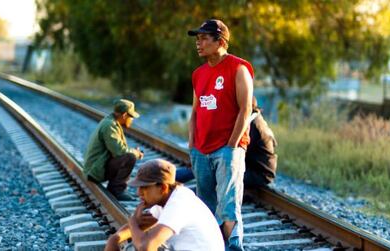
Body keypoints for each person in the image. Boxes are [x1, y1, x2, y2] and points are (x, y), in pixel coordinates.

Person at [187, 19, 254, 250]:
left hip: (227, 150)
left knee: (228, 207)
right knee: (204, 208)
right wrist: (192, 144)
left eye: (204, 38)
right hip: (201, 150)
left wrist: (232, 146)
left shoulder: (239, 68)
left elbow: (246, 109)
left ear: (221, 41)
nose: (199, 43)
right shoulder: (198, 74)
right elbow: (195, 111)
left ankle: (234, 247)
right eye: (198, 39)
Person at [104, 159, 224, 251]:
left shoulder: (179, 204)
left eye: (144, 187)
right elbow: (142, 226)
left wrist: (133, 222)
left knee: (141, 243)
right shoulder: (165, 200)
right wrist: (115, 238)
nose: (138, 192)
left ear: (163, 187)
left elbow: (146, 247)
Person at [83, 99, 144, 201]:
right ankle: (116, 190)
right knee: (130, 157)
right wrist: (136, 153)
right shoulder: (110, 125)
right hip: (94, 170)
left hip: (96, 166)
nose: (132, 120)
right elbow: (119, 151)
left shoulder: (110, 122)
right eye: (131, 117)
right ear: (124, 115)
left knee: (128, 155)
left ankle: (115, 188)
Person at [244, 96, 277, 188]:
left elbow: (241, 151)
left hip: (261, 174)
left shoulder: (253, 125)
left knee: (224, 172)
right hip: (258, 169)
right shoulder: (257, 119)